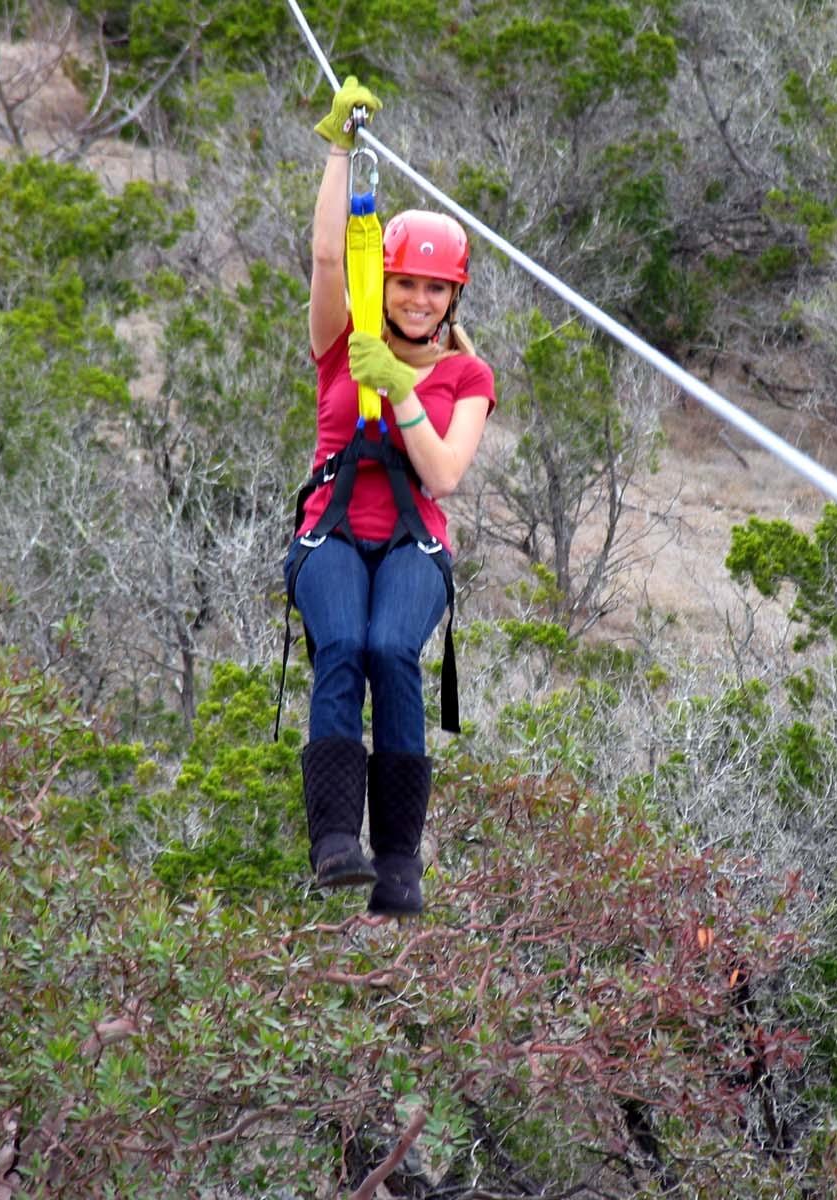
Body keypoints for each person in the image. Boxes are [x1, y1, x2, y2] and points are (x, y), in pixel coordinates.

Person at [283, 77, 496, 916]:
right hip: (331, 530)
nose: (416, 299)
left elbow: (443, 475)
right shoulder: (343, 340)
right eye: (405, 283)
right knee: (341, 644)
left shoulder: (467, 375)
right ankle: (337, 841)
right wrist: (339, 149)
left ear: (453, 300)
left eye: (434, 289)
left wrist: (401, 394)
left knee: (390, 652)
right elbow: (330, 257)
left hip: (413, 542)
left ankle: (400, 862)